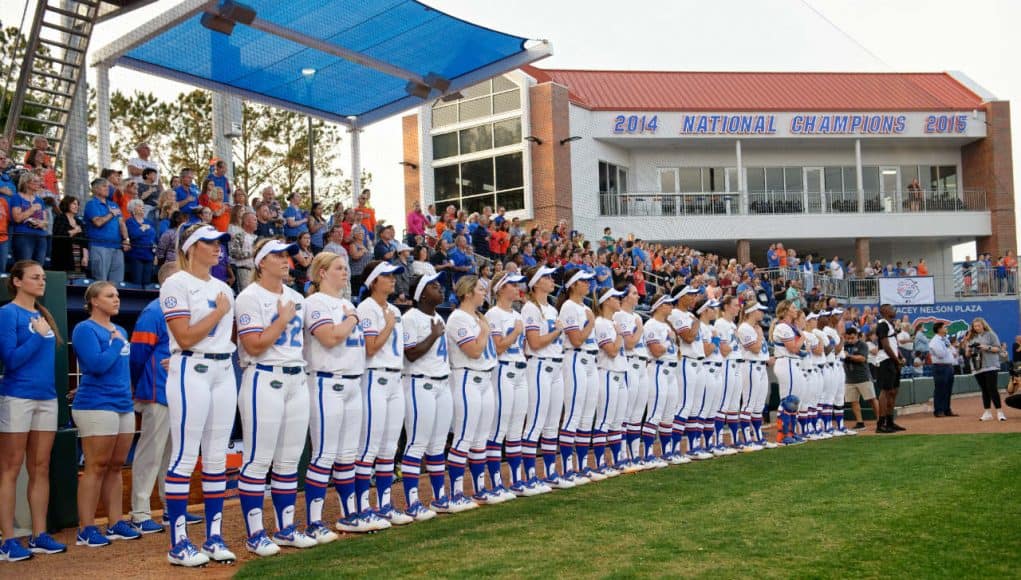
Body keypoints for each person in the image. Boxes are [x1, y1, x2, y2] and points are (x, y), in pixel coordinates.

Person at [160, 224, 236, 567]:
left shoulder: (222, 287)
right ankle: (178, 543)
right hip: (192, 367)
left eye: (219, 242)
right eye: (210, 242)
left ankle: (214, 536)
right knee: (186, 455)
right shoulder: (176, 283)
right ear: (192, 248)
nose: (217, 248)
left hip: (223, 368)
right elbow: (186, 337)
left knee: (217, 457)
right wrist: (218, 313)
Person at [235, 239, 318, 555]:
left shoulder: (297, 297)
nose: (286, 260)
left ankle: (285, 528)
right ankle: (254, 533)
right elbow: (254, 345)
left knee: (289, 460)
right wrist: (281, 319)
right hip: (263, 376)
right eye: (278, 255)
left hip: (296, 378)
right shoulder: (249, 297)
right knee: (258, 460)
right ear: (260, 262)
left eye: (287, 255)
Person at [0, 261, 66, 560]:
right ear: (17, 281)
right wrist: (36, 335)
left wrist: (41, 331)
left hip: (46, 398)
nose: (41, 281)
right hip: (17, 396)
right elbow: (11, 360)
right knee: (11, 469)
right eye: (35, 277)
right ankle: (8, 539)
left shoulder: (43, 315)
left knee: (40, 467)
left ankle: (39, 535)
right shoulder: (7, 313)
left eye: (43, 277)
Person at [71, 281, 142, 548]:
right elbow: (97, 365)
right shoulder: (85, 329)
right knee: (96, 466)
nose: (116, 299)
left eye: (117, 295)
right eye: (110, 295)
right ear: (94, 301)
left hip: (122, 404)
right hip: (95, 404)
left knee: (116, 466)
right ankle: (86, 528)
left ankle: (115, 522)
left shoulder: (120, 329)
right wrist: (114, 345)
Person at [302, 253, 367, 535]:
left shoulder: (345, 303)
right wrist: (352, 319)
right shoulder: (315, 302)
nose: (345, 272)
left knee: (347, 455)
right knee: (324, 454)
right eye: (339, 268)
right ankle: (314, 521)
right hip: (326, 380)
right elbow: (329, 337)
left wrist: (350, 315)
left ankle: (348, 514)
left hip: (353, 380)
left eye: (345, 268)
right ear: (322, 272)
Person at [128, 262, 191, 535]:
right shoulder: (155, 310)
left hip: (177, 391)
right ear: (167, 282)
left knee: (172, 454)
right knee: (150, 454)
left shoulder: (182, 311)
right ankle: (140, 512)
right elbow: (137, 354)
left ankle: (171, 509)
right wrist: (137, 385)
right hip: (156, 389)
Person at [355, 260, 409, 526]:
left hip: (394, 377)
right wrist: (387, 324)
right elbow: (370, 347)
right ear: (374, 281)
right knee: (369, 445)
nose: (392, 280)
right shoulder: (366, 307)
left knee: (389, 446)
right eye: (386, 276)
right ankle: (362, 505)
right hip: (374, 375)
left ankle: (385, 503)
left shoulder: (394, 310)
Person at [400, 273, 455, 516]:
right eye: (433, 286)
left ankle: (439, 497)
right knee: (417, 443)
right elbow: (410, 353)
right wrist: (433, 335)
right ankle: (412, 502)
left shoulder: (437, 317)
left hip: (442, 382)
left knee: (437, 445)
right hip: (419, 381)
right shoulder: (410, 317)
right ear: (422, 294)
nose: (440, 289)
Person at [445, 275, 500, 507]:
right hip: (466, 377)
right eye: (480, 289)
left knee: (480, 439)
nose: (484, 293)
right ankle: (456, 492)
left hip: (484, 378)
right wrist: (485, 330)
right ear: (468, 293)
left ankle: (479, 488)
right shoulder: (458, 317)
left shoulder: (478, 316)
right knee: (464, 437)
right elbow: (474, 351)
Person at [485, 272, 530, 495]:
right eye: (512, 284)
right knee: (499, 428)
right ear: (501, 288)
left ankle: (515, 479)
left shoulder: (516, 313)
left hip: (519, 369)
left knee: (515, 428)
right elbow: (498, 347)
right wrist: (515, 332)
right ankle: (494, 483)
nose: (517, 288)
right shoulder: (493, 314)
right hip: (503, 369)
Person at [520, 265, 564, 493]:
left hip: (555, 366)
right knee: (536, 421)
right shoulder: (530, 308)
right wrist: (557, 332)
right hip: (539, 365)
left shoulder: (552, 309)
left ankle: (549, 472)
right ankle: (528, 476)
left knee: (551, 423)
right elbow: (535, 343)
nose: (551, 280)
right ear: (536, 283)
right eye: (546, 277)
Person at [557, 270, 598, 484]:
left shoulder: (585, 307)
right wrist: (591, 323)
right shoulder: (569, 307)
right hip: (574, 359)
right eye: (583, 281)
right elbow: (576, 340)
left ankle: (581, 465)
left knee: (586, 415)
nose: (588, 284)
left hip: (590, 360)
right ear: (573, 285)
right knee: (574, 413)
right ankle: (567, 468)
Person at [592, 286, 629, 475]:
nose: (619, 300)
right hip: (606, 371)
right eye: (615, 297)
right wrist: (621, 335)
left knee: (618, 420)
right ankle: (599, 463)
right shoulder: (601, 323)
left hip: (620, 372)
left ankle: (616, 460)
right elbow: (612, 351)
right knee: (604, 419)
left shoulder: (612, 322)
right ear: (606, 300)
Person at [613, 284, 649, 471]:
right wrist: (640, 329)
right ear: (625, 296)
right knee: (626, 413)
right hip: (629, 363)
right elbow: (628, 344)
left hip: (642, 363)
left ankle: (634, 455)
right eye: (634, 293)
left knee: (637, 413)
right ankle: (621, 455)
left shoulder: (636, 317)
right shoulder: (619, 315)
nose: (637, 296)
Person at [642, 293, 679, 467]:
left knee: (668, 414)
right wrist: (667, 341)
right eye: (668, 303)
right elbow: (656, 351)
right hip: (657, 368)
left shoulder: (666, 325)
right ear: (659, 306)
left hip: (671, 370)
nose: (671, 306)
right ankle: (648, 453)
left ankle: (667, 452)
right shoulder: (651, 324)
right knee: (655, 412)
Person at [737, 303, 772, 450]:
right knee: (749, 404)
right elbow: (756, 348)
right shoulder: (745, 327)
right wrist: (758, 335)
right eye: (759, 310)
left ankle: (757, 437)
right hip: (750, 365)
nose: (762, 313)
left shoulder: (755, 328)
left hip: (760, 366)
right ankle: (746, 439)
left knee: (758, 406)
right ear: (751, 312)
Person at [770, 300, 804, 445]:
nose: (796, 310)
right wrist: (803, 337)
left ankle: (790, 432)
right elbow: (793, 348)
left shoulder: (791, 327)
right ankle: (782, 436)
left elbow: (798, 350)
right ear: (785, 311)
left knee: (794, 401)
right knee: (787, 401)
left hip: (791, 362)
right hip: (786, 362)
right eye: (793, 308)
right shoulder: (783, 326)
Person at [712, 296, 743, 453]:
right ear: (726, 307)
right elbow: (724, 350)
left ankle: (734, 439)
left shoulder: (732, 324)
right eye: (736, 305)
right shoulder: (720, 323)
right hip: (726, 365)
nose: (738, 307)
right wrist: (735, 340)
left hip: (736, 364)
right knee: (722, 404)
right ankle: (716, 442)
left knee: (734, 405)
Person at [85, 177, 129, 283]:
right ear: (95, 189)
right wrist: (111, 214)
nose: (107, 188)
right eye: (104, 186)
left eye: (108, 186)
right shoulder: (91, 204)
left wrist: (126, 239)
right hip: (99, 246)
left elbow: (122, 223)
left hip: (117, 247)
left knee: (117, 282)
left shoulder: (113, 204)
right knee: (101, 282)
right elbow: (98, 222)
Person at [964, 317, 1006, 421]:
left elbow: (998, 349)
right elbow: (967, 355)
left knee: (992, 388)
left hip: (991, 365)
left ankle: (1000, 412)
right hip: (977, 366)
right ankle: (987, 412)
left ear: (983, 325)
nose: (977, 328)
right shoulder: (971, 337)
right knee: (984, 390)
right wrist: (969, 348)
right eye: (975, 326)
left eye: (979, 325)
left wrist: (986, 347)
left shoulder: (991, 334)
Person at [874, 304, 906, 433]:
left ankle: (890, 422)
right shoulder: (882, 324)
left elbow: (894, 345)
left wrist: (900, 357)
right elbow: (886, 346)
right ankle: (881, 424)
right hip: (885, 360)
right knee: (885, 392)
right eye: (891, 309)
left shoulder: (889, 324)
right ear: (885, 311)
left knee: (893, 391)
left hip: (892, 360)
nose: (894, 311)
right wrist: (896, 359)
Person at [11, 173, 50, 264]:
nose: (39, 183)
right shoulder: (16, 197)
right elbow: (17, 218)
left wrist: (41, 223)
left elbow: (45, 221)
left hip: (41, 236)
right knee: (25, 265)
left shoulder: (39, 200)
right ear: (26, 183)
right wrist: (32, 209)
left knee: (39, 266)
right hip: (24, 236)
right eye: (35, 181)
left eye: (39, 181)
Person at [928, 322, 957, 418]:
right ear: (939, 329)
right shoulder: (935, 341)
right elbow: (941, 354)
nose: (946, 328)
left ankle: (947, 409)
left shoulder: (945, 339)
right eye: (944, 327)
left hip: (948, 366)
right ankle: (938, 410)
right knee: (940, 389)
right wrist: (949, 349)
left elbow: (953, 351)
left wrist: (949, 349)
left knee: (948, 390)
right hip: (940, 366)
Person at [125, 199, 157, 286]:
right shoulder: (130, 221)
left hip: (149, 255)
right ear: (133, 209)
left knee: (147, 283)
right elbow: (132, 235)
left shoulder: (148, 222)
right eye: (139, 206)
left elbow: (153, 236)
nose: (142, 207)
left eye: (142, 205)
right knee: (137, 283)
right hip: (136, 255)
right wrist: (142, 229)